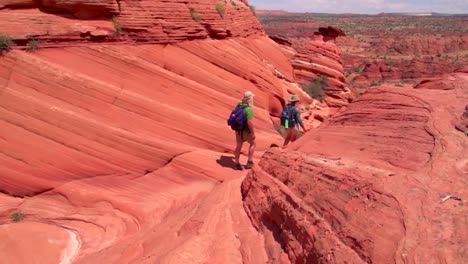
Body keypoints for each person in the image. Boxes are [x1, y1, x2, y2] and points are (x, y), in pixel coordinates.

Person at [233, 91, 256, 170]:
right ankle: (249, 162)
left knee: (238, 145)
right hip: (246, 131)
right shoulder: (248, 109)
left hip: (238, 130)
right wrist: (253, 133)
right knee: (253, 143)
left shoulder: (238, 105)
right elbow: (249, 122)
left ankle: (236, 163)